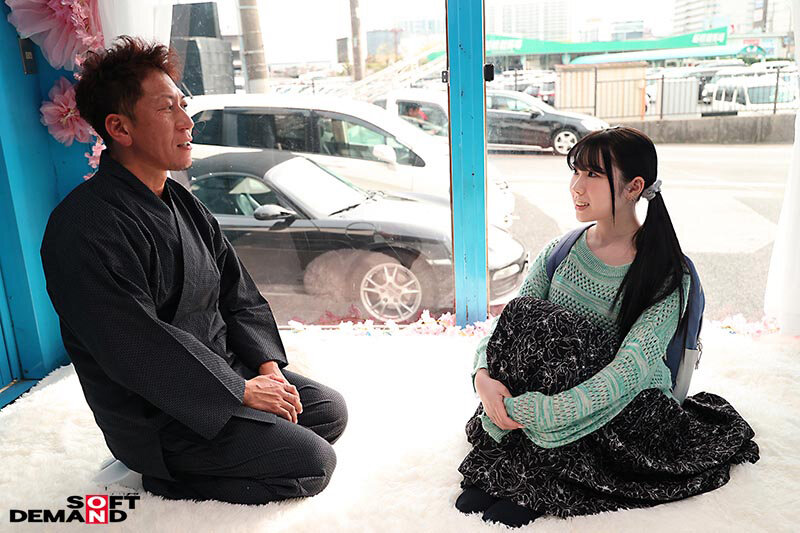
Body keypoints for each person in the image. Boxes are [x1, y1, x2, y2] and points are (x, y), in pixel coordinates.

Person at [40, 37, 347, 505]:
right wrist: (240, 391)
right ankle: (162, 479)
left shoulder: (181, 201)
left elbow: (237, 293)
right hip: (158, 411)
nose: (187, 122)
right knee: (313, 461)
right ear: (120, 127)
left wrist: (267, 372)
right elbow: (135, 344)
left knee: (328, 411)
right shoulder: (82, 227)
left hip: (223, 368)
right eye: (167, 109)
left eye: (183, 105)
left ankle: (250, 428)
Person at [455, 126, 759, 527]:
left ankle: (541, 473)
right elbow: (508, 328)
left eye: (593, 175)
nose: (577, 186)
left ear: (635, 187)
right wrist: (482, 377)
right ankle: (526, 455)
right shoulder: (561, 251)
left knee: (573, 338)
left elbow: (630, 369)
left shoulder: (666, 273)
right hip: (544, 403)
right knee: (528, 315)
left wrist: (551, 412)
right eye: (576, 171)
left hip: (622, 407)